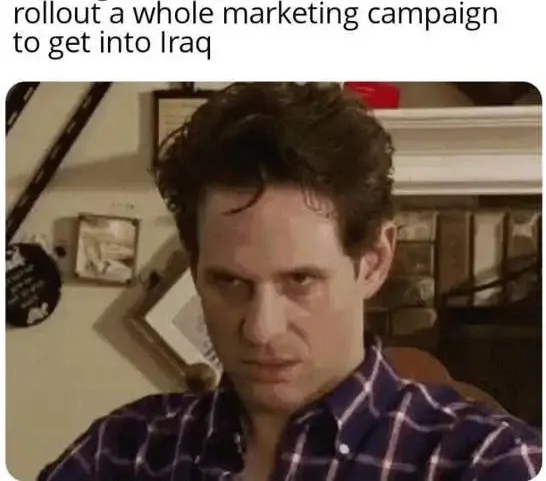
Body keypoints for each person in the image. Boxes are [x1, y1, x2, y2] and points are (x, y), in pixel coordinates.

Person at [37, 82, 541, 481]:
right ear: (195, 268)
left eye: (300, 280)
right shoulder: (123, 450)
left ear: (373, 262)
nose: (261, 329)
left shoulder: (492, 463)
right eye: (229, 282)